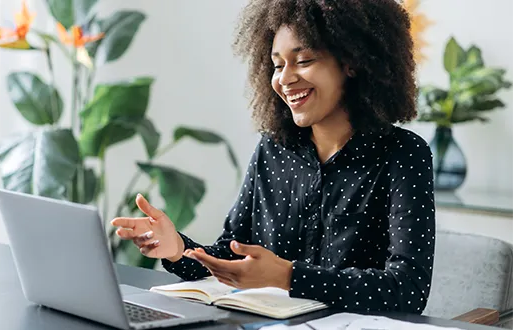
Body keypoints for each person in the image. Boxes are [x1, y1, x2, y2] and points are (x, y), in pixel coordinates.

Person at [111, 0, 436, 314]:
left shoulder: (403, 154)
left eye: (303, 60)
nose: (285, 78)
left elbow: (408, 290)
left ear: (351, 62)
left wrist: (288, 277)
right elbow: (232, 254)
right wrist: (178, 249)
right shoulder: (273, 149)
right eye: (278, 64)